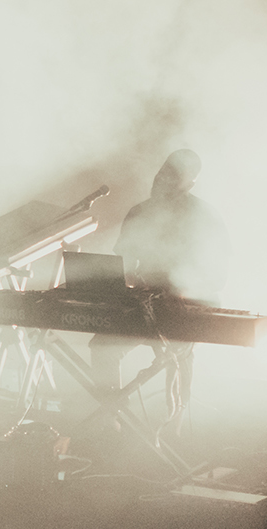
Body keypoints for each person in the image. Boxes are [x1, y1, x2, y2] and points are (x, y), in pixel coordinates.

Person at [88, 149, 230, 425]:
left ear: (189, 184)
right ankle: (112, 423)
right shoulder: (139, 213)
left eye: (173, 176)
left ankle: (175, 427)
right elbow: (124, 267)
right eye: (162, 171)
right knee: (102, 347)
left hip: (185, 309)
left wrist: (183, 290)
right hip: (144, 306)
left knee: (176, 361)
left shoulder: (205, 217)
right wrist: (129, 285)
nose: (162, 179)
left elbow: (218, 278)